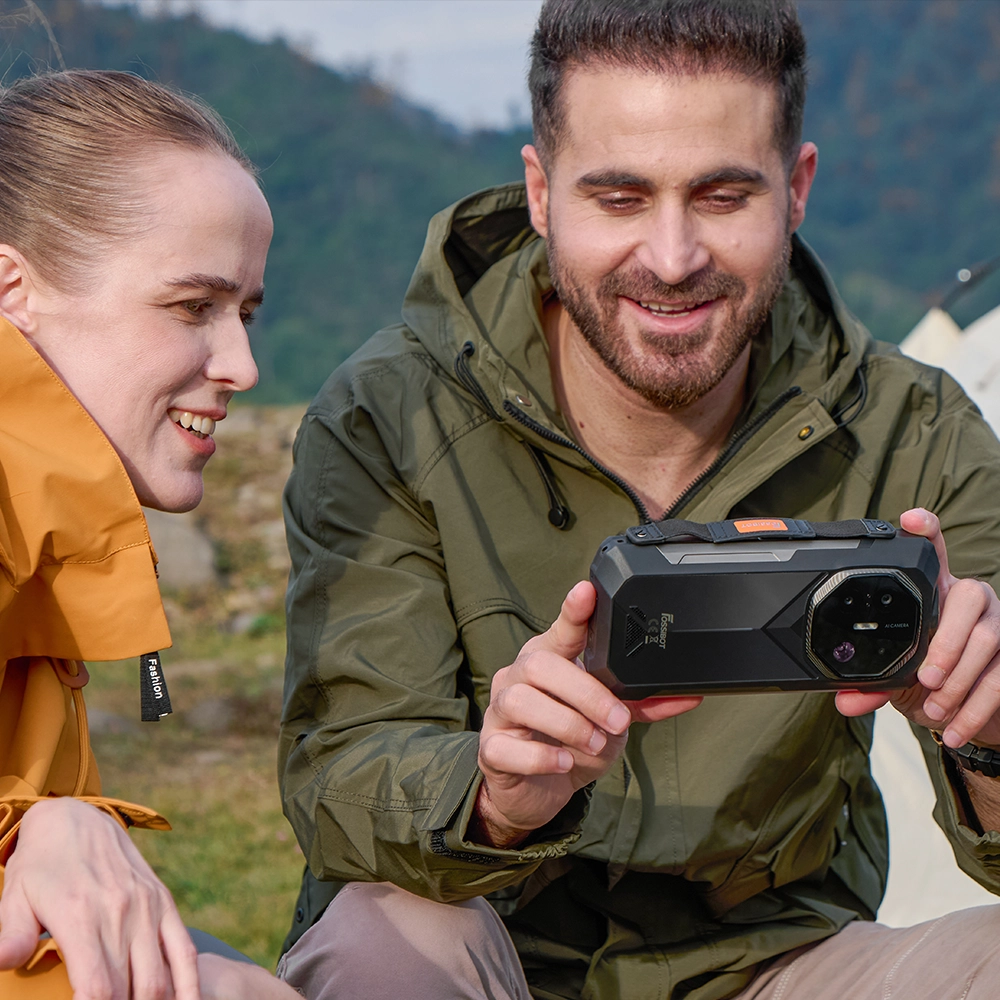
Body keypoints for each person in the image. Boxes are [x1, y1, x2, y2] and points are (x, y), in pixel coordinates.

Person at [277, 2, 1000, 998]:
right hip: (482, 945)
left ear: (795, 191)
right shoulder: (386, 417)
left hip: (778, 962)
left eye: (720, 196)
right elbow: (338, 779)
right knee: (374, 942)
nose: (669, 258)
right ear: (539, 193)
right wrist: (492, 794)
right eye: (617, 198)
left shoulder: (914, 429)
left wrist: (985, 733)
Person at [0, 70, 299, 1000]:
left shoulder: (49, 521)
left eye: (245, 312)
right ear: (13, 290)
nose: (242, 364)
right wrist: (50, 830)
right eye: (190, 307)